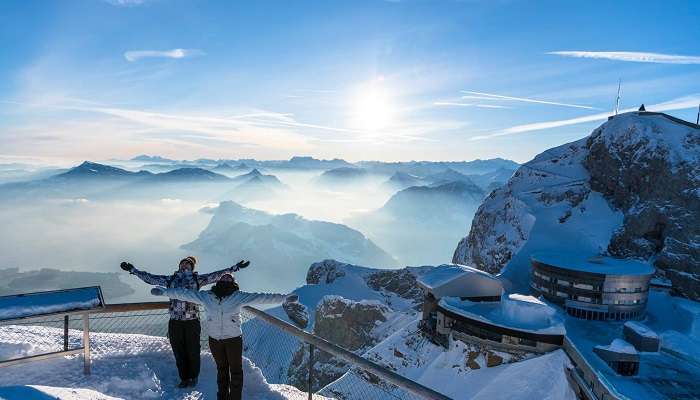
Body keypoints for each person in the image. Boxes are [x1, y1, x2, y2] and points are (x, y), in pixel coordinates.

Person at [150, 273, 302, 400]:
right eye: (224, 277)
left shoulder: (239, 297)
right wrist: (164, 292)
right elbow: (185, 294)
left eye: (230, 278)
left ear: (234, 283)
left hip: (234, 339)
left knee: (236, 371)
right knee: (222, 369)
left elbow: (262, 297)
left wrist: (285, 298)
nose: (226, 278)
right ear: (219, 281)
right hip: (214, 340)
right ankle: (222, 397)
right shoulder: (207, 296)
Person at [119, 256, 250, 388]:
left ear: (192, 267)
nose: (184, 265)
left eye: (188, 264)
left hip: (192, 321)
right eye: (182, 263)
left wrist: (234, 268)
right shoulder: (170, 279)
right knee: (178, 351)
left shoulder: (196, 279)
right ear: (179, 266)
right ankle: (184, 378)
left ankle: (193, 377)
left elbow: (215, 276)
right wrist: (133, 270)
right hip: (175, 321)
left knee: (193, 351)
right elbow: (150, 278)